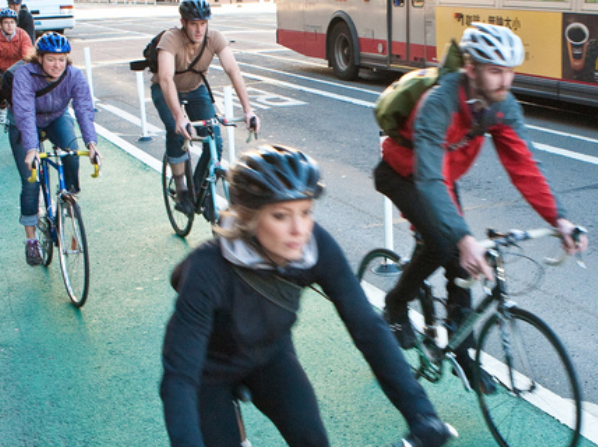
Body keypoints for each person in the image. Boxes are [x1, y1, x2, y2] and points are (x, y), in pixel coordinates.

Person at [160, 145, 455, 447]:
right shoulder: (207, 268)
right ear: (249, 217)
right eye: (280, 215)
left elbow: (367, 327)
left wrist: (421, 414)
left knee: (312, 440)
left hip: (270, 355)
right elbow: (180, 376)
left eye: (305, 211)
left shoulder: (315, 247)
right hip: (209, 372)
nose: (299, 229)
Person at [373, 23, 589, 393]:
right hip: (405, 173)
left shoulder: (501, 106)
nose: (506, 81)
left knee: (461, 261)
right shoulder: (438, 102)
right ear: (471, 69)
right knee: (447, 245)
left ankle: (463, 353)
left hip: (442, 176)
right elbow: (428, 180)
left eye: (510, 70)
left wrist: (561, 220)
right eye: (495, 70)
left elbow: (524, 167)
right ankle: (395, 304)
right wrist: (461, 238)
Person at [151, 0, 260, 216]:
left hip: (196, 90)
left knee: (215, 142)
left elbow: (233, 71)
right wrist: (179, 116)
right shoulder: (170, 39)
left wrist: (248, 110)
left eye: (203, 24)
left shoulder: (215, 38)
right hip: (166, 90)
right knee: (177, 130)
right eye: (194, 24)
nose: (199, 30)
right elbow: (165, 79)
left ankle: (199, 188)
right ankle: (182, 190)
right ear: (183, 23)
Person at [8, 32, 101, 266]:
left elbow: (83, 109)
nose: (57, 65)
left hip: (56, 117)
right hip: (22, 122)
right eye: (51, 59)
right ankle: (31, 241)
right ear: (39, 58)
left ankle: (68, 199)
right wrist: (31, 148)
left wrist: (92, 143)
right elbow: (25, 114)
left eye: (61, 59)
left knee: (71, 152)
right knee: (31, 181)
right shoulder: (25, 75)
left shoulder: (73, 75)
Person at [0, 8, 33, 125]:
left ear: (16, 23)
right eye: (6, 23)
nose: (9, 26)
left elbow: (27, 56)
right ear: (1, 24)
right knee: (1, 89)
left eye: (12, 22)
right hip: (2, 68)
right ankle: (2, 108)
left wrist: (26, 74)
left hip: (18, 68)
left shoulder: (23, 35)